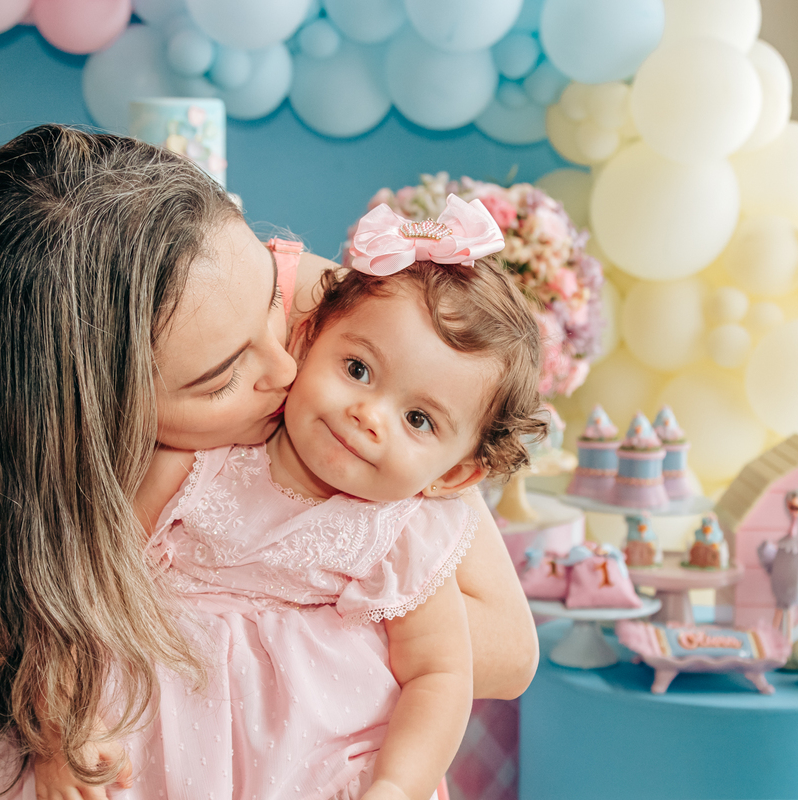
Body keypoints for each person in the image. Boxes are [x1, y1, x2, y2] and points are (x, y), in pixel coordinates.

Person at [0, 125, 538, 800]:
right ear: (103, 428)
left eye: (271, 306)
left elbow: (502, 654)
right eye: (222, 376)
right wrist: (65, 720)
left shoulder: (367, 330)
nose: (290, 364)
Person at [34, 194, 543, 800]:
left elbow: (439, 674)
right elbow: (85, 590)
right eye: (357, 369)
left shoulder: (402, 536)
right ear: (305, 340)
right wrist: (60, 727)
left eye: (417, 419)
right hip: (149, 755)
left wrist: (397, 786)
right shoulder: (198, 461)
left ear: (453, 477)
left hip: (309, 772)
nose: (368, 415)